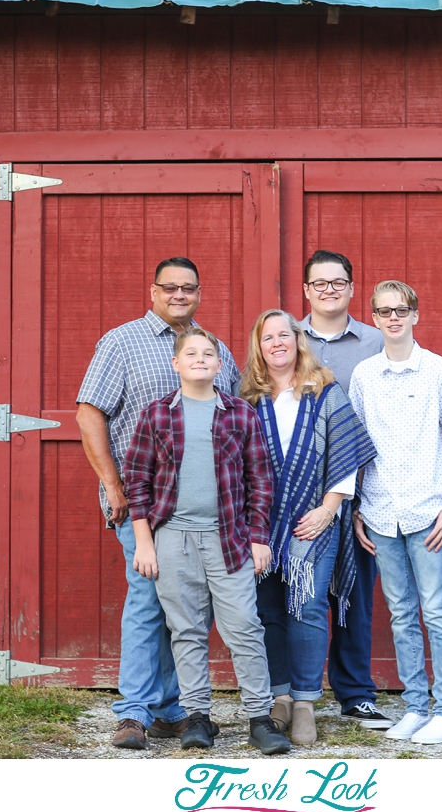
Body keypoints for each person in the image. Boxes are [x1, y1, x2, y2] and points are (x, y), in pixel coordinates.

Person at [76, 258, 240, 750]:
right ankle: (134, 713)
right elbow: (88, 415)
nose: (179, 294)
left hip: (205, 508)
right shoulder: (121, 342)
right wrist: (113, 485)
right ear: (153, 291)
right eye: (169, 287)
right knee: (148, 601)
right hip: (144, 503)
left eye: (188, 288)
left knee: (187, 608)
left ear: (198, 293)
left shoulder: (214, 348)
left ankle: (172, 708)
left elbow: (236, 414)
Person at [123, 327, 291, 756]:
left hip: (229, 538)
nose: (200, 359)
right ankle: (198, 717)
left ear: (220, 365)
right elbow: (137, 483)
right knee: (187, 630)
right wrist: (144, 542)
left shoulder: (238, 413)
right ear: (176, 363)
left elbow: (261, 482)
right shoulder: (156, 415)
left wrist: (258, 538)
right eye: (191, 353)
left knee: (245, 629)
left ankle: (259, 717)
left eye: (209, 353)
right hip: (172, 539)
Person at [240, 310, 377, 744]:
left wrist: (328, 508)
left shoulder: (324, 391)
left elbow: (346, 451)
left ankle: (303, 702)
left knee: (308, 608)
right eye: (268, 338)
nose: (277, 343)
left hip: (313, 521)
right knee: (268, 613)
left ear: (299, 341)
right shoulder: (248, 398)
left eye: (285, 334)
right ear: (258, 348)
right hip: (260, 522)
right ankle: (278, 697)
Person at [349, 280, 442, 745]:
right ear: (375, 319)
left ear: (416, 315)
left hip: (427, 512)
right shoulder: (364, 375)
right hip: (381, 511)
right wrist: (359, 507)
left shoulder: (439, 371)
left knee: (436, 610)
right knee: (400, 612)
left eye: (401, 310)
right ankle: (416, 707)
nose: (393, 318)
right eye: (383, 311)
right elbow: (357, 447)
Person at [297, 250, 392, 731]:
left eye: (339, 282)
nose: (330, 289)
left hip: (361, 489)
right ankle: (293, 693)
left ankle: (355, 693)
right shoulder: (286, 339)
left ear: (353, 288)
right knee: (298, 593)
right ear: (306, 290)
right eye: (320, 283)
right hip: (297, 491)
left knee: (354, 592)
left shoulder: (377, 342)